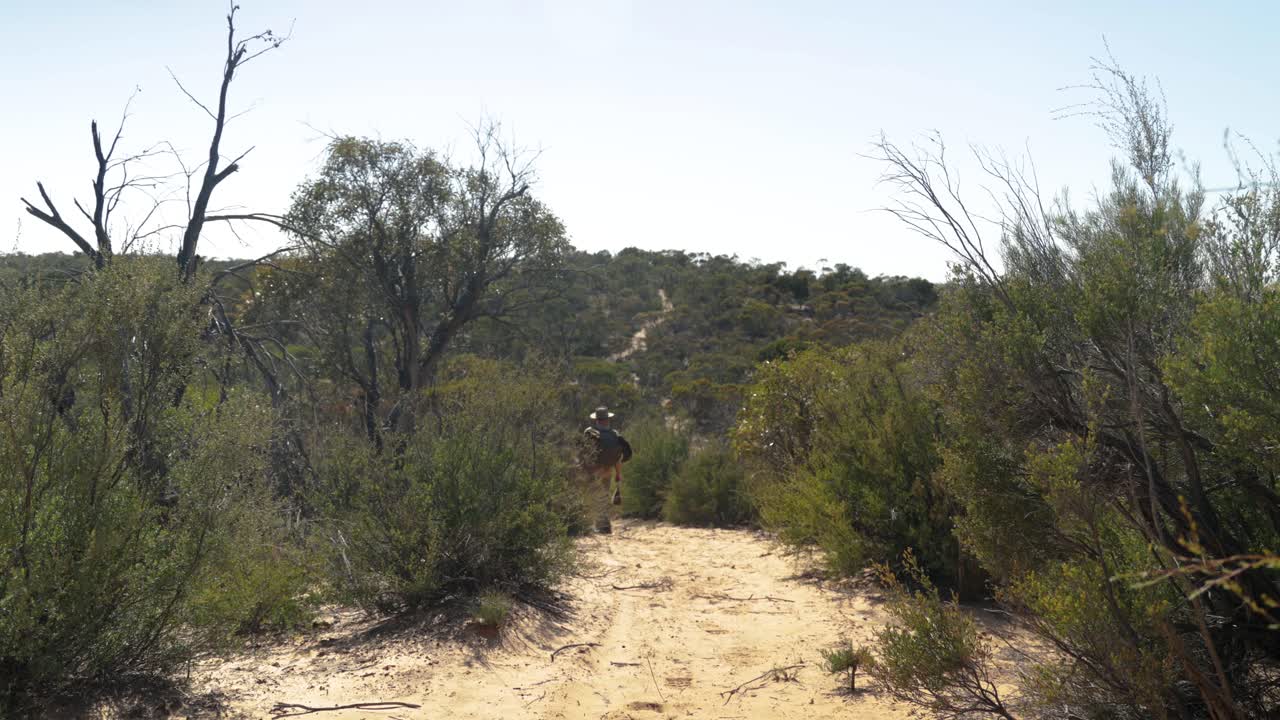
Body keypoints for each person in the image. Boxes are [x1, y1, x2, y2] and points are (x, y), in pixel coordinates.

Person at [581, 406, 632, 533]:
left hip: (593, 471)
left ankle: (597, 526)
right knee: (603, 497)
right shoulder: (614, 434)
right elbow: (618, 458)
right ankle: (604, 526)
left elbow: (582, 452)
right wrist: (618, 475)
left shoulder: (589, 431)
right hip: (608, 471)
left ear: (596, 419)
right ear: (608, 419)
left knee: (593, 498)